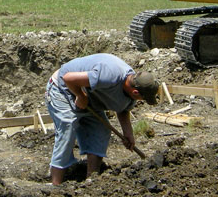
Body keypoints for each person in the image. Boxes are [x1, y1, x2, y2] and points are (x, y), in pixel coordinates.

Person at [45, 53, 161, 185]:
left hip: (90, 96)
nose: (142, 101)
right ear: (135, 92)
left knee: (101, 131)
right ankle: (55, 184)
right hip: (62, 88)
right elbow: (68, 78)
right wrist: (81, 96)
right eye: (143, 98)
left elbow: (123, 109)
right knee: (67, 130)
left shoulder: (134, 85)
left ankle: (91, 181)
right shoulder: (109, 75)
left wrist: (128, 133)